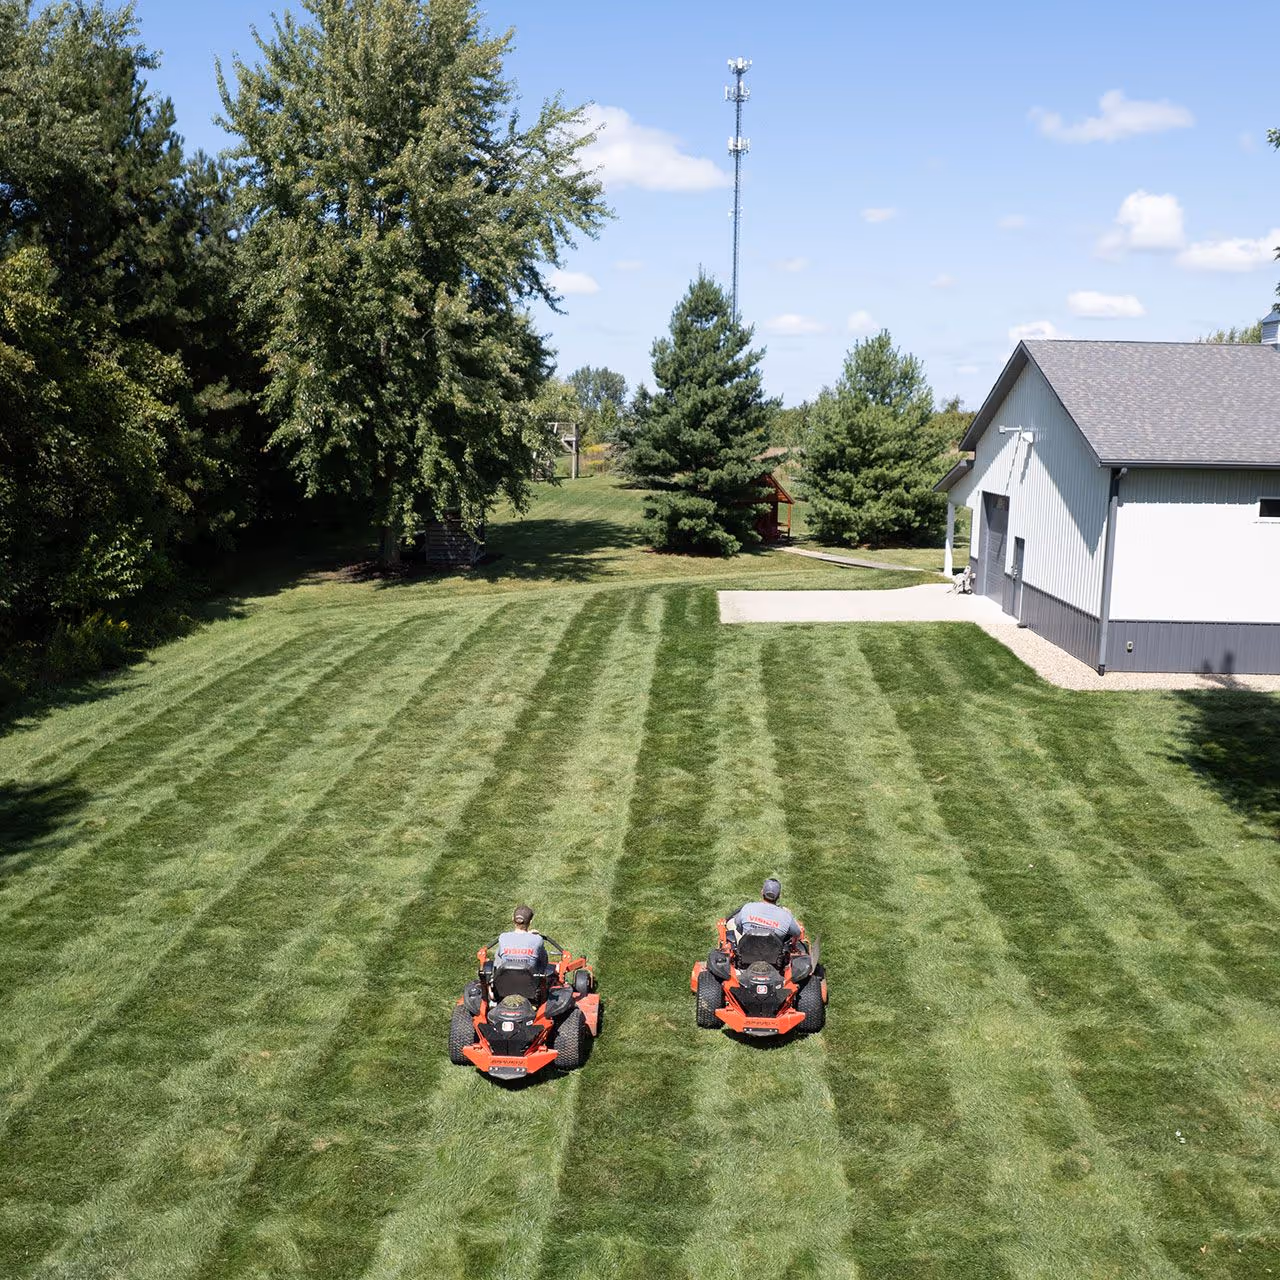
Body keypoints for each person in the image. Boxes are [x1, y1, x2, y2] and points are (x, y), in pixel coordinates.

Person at [728, 877, 803, 945]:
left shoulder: (748, 907)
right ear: (779, 896)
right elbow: (797, 933)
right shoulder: (786, 916)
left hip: (746, 951)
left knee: (730, 922)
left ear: (762, 892)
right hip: (774, 955)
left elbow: (738, 925)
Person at [494, 904, 549, 971]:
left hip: (505, 979)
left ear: (512, 919)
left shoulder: (503, 937)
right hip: (530, 980)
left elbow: (498, 959)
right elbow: (544, 962)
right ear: (530, 922)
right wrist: (530, 936)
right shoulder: (537, 939)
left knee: (498, 952)